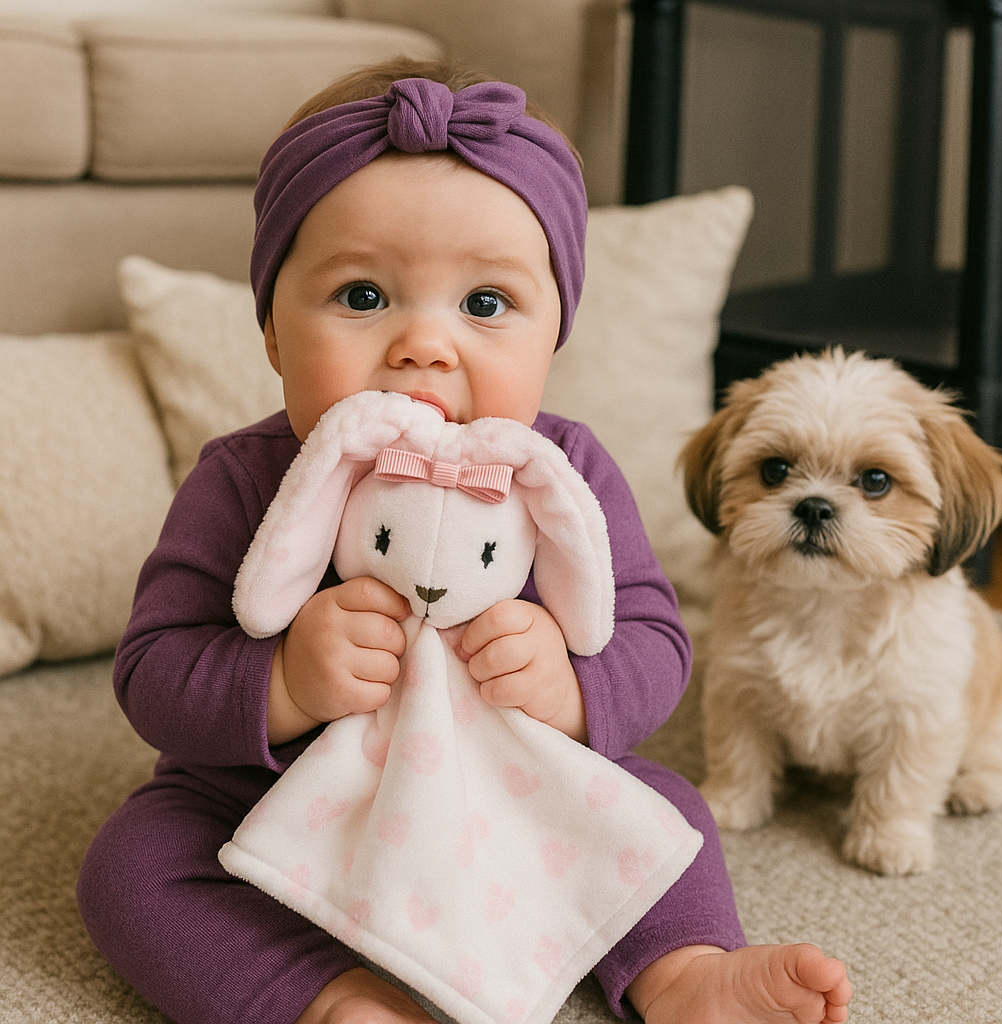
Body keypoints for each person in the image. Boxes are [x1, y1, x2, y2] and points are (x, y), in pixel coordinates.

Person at [77, 57, 852, 1024]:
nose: (425, 346)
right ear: (272, 330)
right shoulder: (243, 476)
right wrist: (282, 682)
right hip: (266, 806)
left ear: (553, 335)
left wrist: (573, 689)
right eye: (362, 296)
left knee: (665, 810)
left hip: (502, 791)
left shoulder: (562, 469)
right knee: (135, 863)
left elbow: (654, 634)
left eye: (486, 305)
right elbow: (152, 669)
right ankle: (332, 1001)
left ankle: (683, 972)